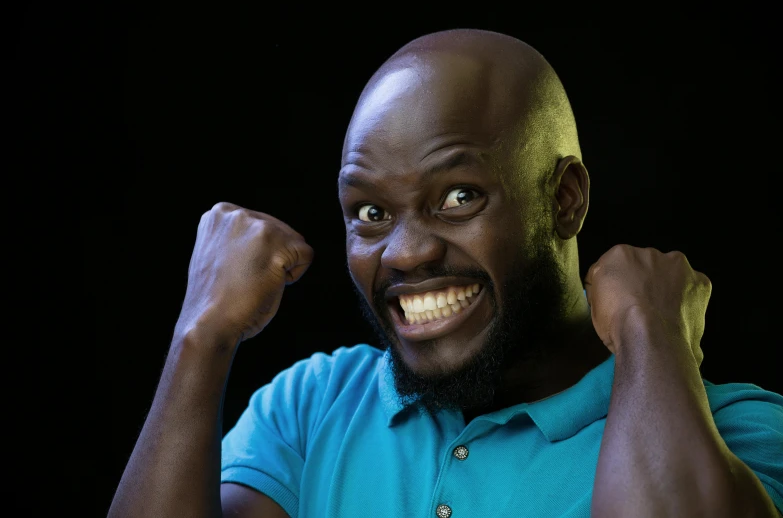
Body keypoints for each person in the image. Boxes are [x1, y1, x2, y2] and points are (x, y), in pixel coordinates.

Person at [108, 29, 783, 518]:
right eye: (369, 212)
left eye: (459, 197)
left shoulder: (735, 431)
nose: (403, 254)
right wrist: (200, 338)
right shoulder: (311, 407)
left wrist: (653, 340)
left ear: (564, 200)